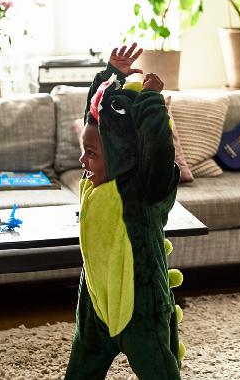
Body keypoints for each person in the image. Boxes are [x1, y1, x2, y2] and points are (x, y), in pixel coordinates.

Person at [65, 44, 185, 379]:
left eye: (90, 154)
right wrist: (111, 76)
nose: (82, 161)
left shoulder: (142, 190)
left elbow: (157, 149)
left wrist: (149, 101)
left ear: (119, 155)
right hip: (96, 303)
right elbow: (97, 118)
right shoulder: (93, 185)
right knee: (82, 365)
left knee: (158, 369)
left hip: (141, 310)